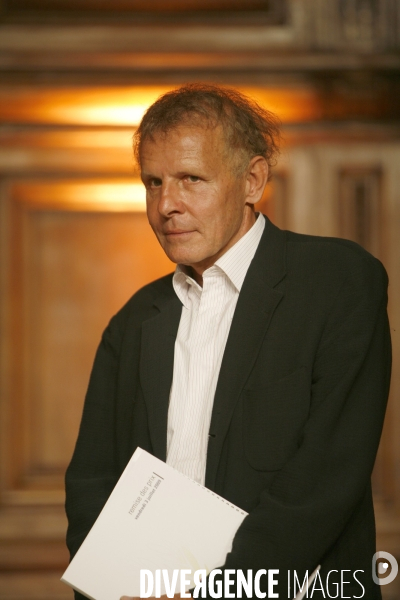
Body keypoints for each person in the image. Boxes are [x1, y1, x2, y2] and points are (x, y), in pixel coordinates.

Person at [65, 84, 391, 599]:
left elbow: (326, 481)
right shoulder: (132, 321)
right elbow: (91, 484)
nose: (166, 204)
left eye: (190, 179)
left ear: (252, 180)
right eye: (153, 182)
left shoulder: (340, 281)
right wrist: (110, 585)